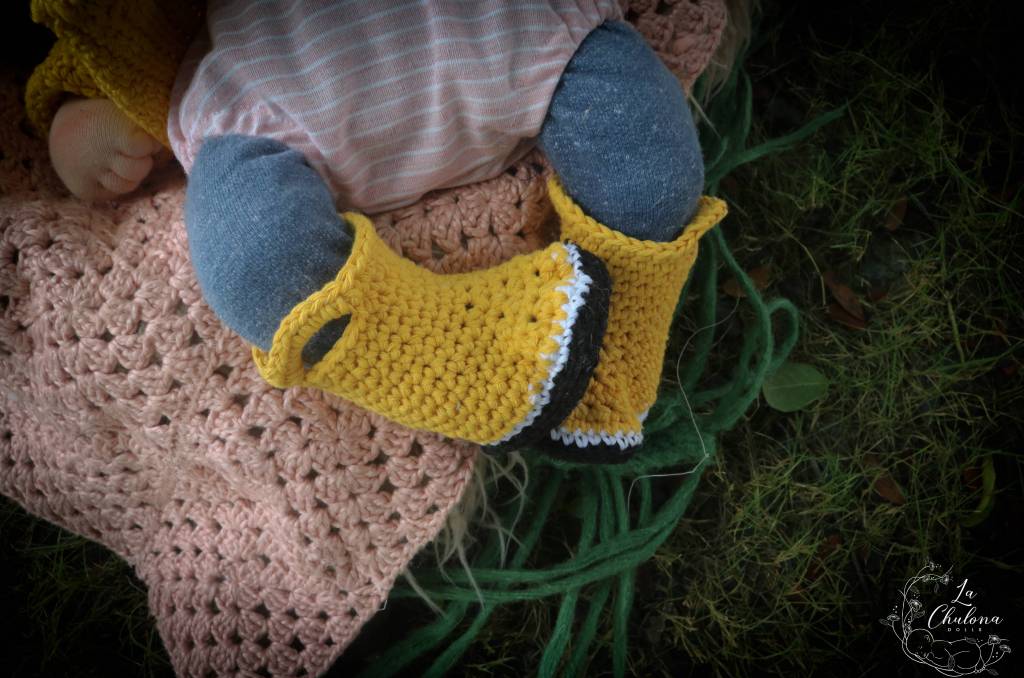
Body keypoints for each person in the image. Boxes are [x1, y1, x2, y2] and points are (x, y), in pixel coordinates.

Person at [28, 0, 728, 461]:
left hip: (529, 41)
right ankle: (456, 358)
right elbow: (97, 34)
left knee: (651, 174)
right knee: (252, 263)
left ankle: (611, 343)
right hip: (272, 106)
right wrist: (77, 118)